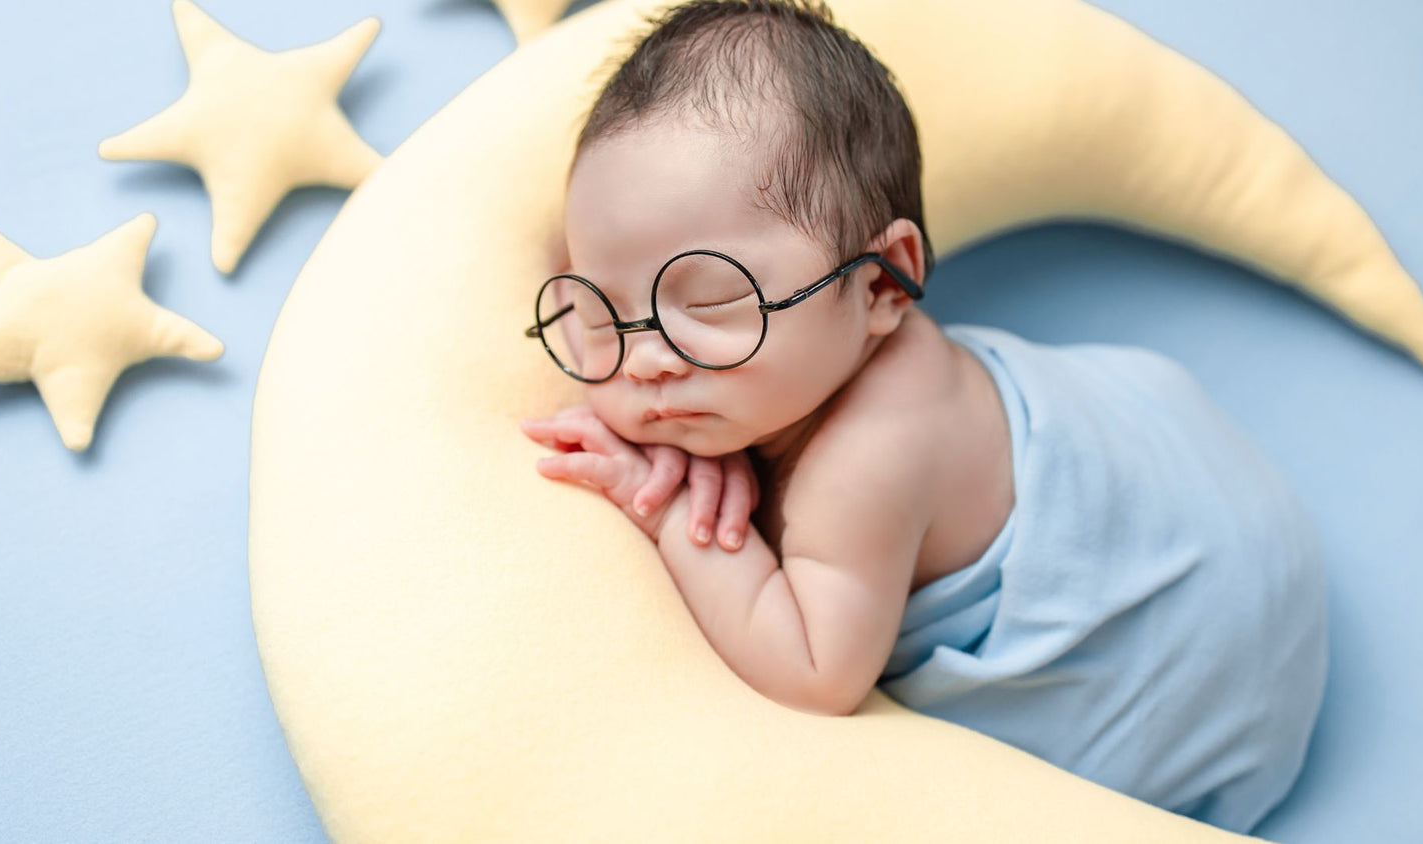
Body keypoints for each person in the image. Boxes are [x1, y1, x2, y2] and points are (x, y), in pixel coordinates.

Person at [518, 0, 1327, 834]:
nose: (646, 358)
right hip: (1194, 473)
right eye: (604, 313)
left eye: (714, 301)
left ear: (880, 284)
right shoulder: (791, 375)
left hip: (1198, 658)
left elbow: (814, 671)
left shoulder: (870, 453)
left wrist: (679, 514)